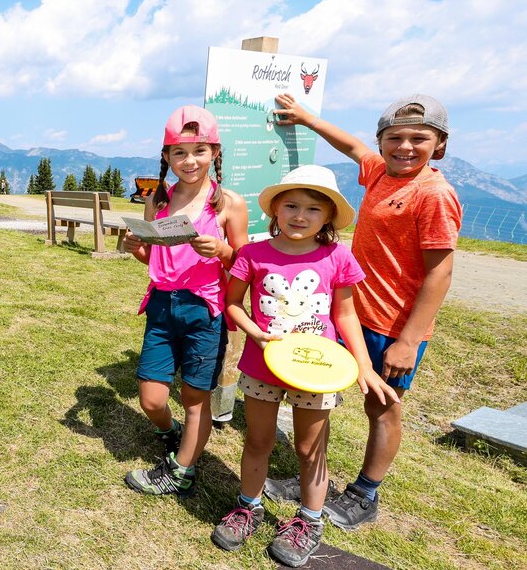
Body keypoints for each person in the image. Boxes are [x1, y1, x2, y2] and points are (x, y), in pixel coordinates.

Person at [268, 94, 462, 530]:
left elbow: (440, 275)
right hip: (351, 313)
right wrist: (308, 118)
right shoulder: (379, 172)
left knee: (381, 407)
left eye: (419, 138)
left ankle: (364, 493)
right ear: (383, 141)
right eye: (394, 137)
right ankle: (311, 479)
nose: (405, 147)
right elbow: (354, 147)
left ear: (440, 145)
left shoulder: (434, 194)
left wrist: (408, 341)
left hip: (394, 326)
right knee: (321, 395)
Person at [209, 165, 399, 567]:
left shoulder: (337, 256)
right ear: (274, 210)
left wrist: (363, 367)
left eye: (313, 209)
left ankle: (309, 521)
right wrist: (254, 333)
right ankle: (249, 507)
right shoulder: (253, 254)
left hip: (318, 371)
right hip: (261, 368)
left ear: (328, 216)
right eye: (291, 205)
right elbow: (232, 302)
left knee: (310, 448)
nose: (300, 215)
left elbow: (346, 315)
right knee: (258, 441)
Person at [122, 105, 248, 497]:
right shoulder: (159, 200)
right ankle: (172, 433)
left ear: (214, 152)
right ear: (166, 157)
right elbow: (153, 256)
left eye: (199, 150)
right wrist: (134, 248)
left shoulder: (230, 203)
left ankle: (182, 471)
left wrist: (223, 250)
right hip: (161, 304)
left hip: (204, 310)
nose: (189, 160)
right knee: (151, 398)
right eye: (179, 152)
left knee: (195, 397)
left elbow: (245, 264)